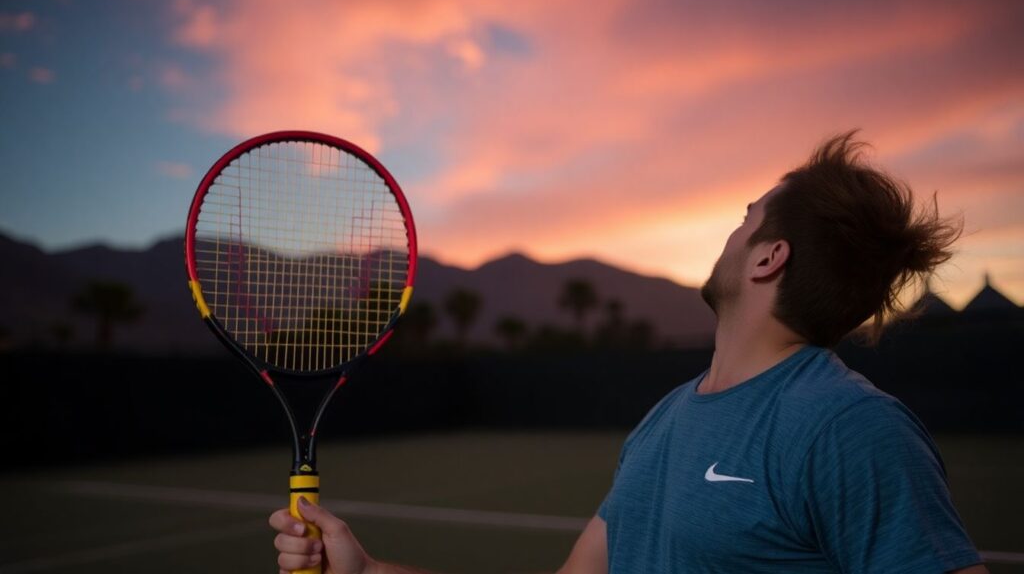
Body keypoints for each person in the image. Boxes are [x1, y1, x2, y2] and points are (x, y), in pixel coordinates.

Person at [269, 132, 987, 573]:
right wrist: (370, 572)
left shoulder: (849, 428)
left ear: (769, 257)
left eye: (746, 218)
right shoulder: (665, 421)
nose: (731, 233)